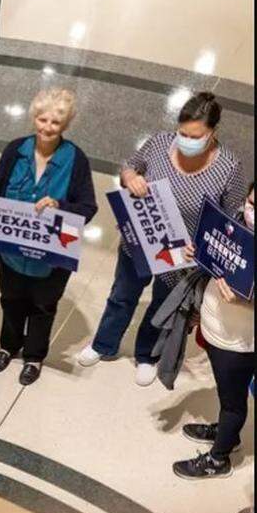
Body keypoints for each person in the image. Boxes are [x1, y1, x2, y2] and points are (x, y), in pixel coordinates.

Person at [78, 92, 248, 387]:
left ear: (213, 133)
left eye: (196, 136)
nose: (186, 140)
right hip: (142, 241)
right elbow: (130, 164)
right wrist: (130, 177)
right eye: (182, 133)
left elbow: (232, 219)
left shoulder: (228, 168)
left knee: (161, 304)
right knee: (122, 295)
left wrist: (207, 249)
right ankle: (104, 344)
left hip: (183, 255)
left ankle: (146, 355)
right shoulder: (158, 144)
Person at [0, 88, 97, 386]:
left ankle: (34, 356)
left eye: (55, 123)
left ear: (65, 126)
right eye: (42, 120)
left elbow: (88, 207)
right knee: (12, 299)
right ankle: (9, 345)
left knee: (43, 306)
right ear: (34, 118)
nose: (47, 127)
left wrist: (60, 206)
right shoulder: (15, 150)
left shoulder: (75, 159)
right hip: (12, 252)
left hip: (52, 259)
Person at [173, 183, 254, 479]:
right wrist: (200, 252)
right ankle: (226, 433)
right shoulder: (231, 223)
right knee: (224, 392)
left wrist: (249, 300)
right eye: (252, 203)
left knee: (233, 401)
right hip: (215, 329)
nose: (252, 212)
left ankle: (219, 459)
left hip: (242, 343)